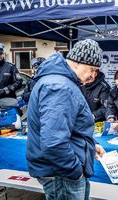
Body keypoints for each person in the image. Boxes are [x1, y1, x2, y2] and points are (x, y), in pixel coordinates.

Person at [26, 39, 105, 200]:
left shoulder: (62, 82)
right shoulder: (59, 86)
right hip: (62, 174)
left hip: (61, 172)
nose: (93, 75)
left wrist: (88, 147)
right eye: (92, 69)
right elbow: (54, 142)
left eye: (96, 71)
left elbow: (69, 129)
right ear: (76, 63)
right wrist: (75, 171)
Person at [0, 43, 23, 119]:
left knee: (7, 128)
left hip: (8, 102)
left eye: (0, 53)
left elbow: (19, 82)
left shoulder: (10, 67)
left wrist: (5, 90)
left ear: (3, 54)